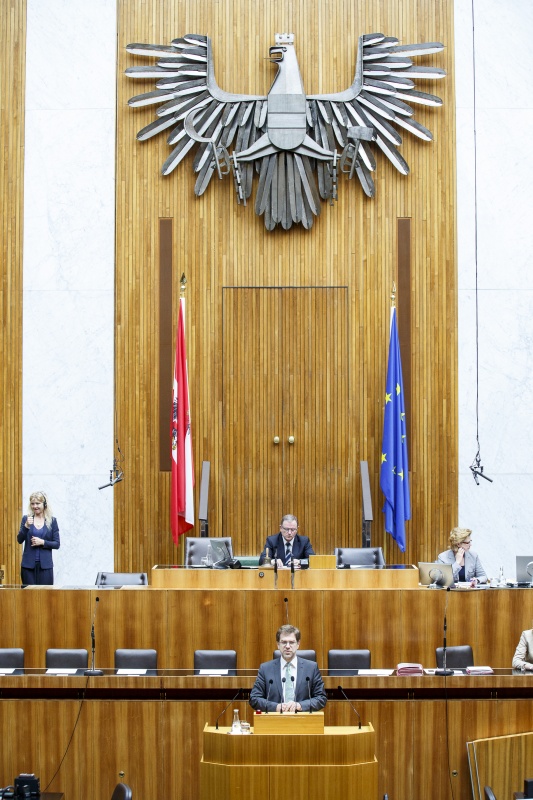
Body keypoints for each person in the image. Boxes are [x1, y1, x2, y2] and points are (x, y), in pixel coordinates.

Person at [249, 624, 327, 713]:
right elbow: (254, 698)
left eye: (291, 642)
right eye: (284, 642)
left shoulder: (311, 668)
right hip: (275, 719)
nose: (287, 646)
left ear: (298, 644)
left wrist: (300, 705)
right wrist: (276, 707)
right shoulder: (265, 669)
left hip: (302, 719)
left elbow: (321, 698)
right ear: (278, 644)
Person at [17, 491, 60, 585]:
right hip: (28, 566)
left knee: (45, 593)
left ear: (44, 504)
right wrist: (26, 526)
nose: (35, 506)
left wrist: (43, 542)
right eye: (32, 504)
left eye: (37, 503)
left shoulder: (52, 521)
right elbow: (19, 540)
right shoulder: (26, 519)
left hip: (45, 566)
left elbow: (57, 544)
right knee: (29, 593)